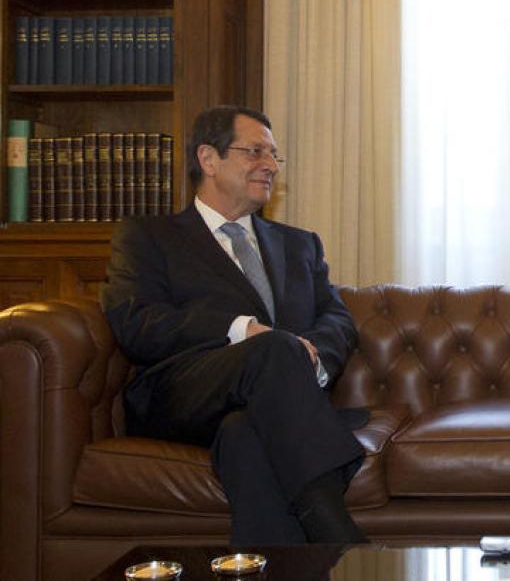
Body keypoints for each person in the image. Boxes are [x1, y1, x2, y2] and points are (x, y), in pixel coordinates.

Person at [101, 105, 366, 545]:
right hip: (185, 396)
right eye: (255, 151)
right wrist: (240, 329)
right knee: (274, 346)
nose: (270, 165)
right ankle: (342, 539)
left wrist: (311, 359)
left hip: (269, 408)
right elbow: (137, 322)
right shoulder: (148, 237)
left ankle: (296, 564)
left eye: (274, 155)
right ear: (209, 159)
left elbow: (336, 318)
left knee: (244, 434)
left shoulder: (299, 244)